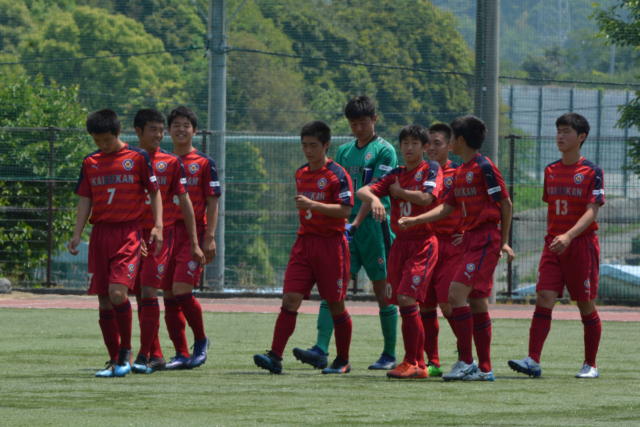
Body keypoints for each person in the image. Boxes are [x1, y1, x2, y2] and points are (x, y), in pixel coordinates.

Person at [398, 115, 515, 382]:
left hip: (484, 239)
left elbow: (506, 203)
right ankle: (484, 368)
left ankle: (466, 362)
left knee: (454, 294)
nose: (448, 143)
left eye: (450, 138)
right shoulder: (461, 171)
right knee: (476, 301)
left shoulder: (484, 166)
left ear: (459, 140)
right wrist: (415, 220)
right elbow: (446, 207)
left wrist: (503, 240)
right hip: (471, 240)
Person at [293, 95, 399, 371]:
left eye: (363, 123)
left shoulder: (385, 151)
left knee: (382, 290)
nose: (358, 128)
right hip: (345, 227)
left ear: (374, 120)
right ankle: (321, 348)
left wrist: (356, 222)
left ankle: (389, 353)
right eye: (353, 124)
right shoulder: (343, 152)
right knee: (333, 288)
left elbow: (373, 191)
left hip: (374, 227)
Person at [254, 120, 354, 375]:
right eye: (304, 145)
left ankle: (342, 360)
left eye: (313, 146)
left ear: (326, 145)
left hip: (331, 246)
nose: (308, 151)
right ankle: (275, 356)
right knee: (290, 299)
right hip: (304, 244)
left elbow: (345, 210)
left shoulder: (337, 174)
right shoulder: (301, 173)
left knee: (335, 304)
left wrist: (313, 205)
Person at [68, 109, 163, 377]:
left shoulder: (137, 158)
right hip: (100, 234)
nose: (102, 145)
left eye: (107, 140)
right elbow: (85, 199)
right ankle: (113, 359)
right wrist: (77, 233)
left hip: (127, 233)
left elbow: (154, 192)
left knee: (118, 293)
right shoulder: (91, 162)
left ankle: (125, 352)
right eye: (97, 141)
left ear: (118, 133)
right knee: (104, 300)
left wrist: (158, 226)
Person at [508, 113, 604, 379]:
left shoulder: (592, 171)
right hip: (553, 245)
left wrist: (569, 236)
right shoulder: (550, 170)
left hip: (580, 246)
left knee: (585, 303)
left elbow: (592, 211)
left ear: (581, 137)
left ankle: (590, 364)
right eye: (558, 131)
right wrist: (558, 237)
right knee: (544, 297)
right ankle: (532, 360)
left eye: (566, 131)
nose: (560, 136)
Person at [357, 124, 443, 379]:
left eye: (414, 143)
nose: (409, 148)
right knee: (402, 302)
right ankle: (418, 363)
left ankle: (414, 361)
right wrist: (375, 199)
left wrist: (399, 193)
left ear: (424, 147)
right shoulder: (395, 173)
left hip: (423, 243)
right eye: (405, 143)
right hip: (400, 244)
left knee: (407, 299)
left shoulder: (431, 169)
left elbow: (427, 198)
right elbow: (362, 191)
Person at [130, 108, 206, 374]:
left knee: (157, 291)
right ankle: (158, 354)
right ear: (138, 131)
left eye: (162, 130)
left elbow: (188, 202)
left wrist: (198, 241)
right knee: (141, 295)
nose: (160, 135)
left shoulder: (172, 162)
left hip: (163, 235)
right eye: (154, 130)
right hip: (132, 235)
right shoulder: (128, 160)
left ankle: (147, 355)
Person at [163, 106, 220, 370]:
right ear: (168, 130)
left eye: (186, 125)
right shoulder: (163, 162)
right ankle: (180, 352)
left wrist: (209, 237)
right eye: (176, 125)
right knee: (168, 294)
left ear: (194, 131)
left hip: (193, 233)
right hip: (166, 233)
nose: (181, 129)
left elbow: (213, 201)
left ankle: (201, 340)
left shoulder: (205, 163)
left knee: (181, 290)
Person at [420, 123, 464, 378]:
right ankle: (433, 361)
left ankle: (466, 354)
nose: (431, 148)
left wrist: (466, 231)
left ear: (449, 145)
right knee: (425, 306)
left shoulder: (458, 173)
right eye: (428, 143)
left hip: (451, 246)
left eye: (437, 143)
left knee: (448, 305)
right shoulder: (420, 173)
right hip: (425, 244)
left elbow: (474, 205)